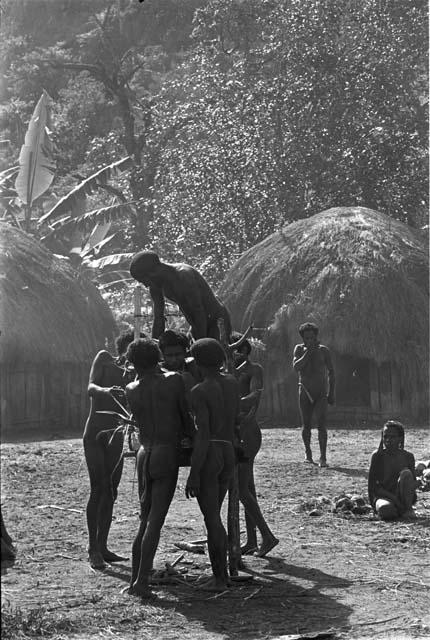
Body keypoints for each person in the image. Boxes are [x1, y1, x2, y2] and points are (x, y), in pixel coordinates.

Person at [125, 338, 195, 598]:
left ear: (133, 362)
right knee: (155, 521)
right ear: (158, 357)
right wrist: (196, 441)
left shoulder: (130, 388)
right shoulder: (173, 381)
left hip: (144, 453)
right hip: (166, 452)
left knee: (144, 519)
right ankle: (142, 583)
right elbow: (184, 417)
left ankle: (135, 578)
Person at [83, 329, 142, 570]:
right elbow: (90, 387)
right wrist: (106, 391)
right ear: (124, 347)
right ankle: (92, 548)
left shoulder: (135, 373)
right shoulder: (104, 358)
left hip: (116, 436)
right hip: (95, 433)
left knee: (112, 490)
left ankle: (103, 545)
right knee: (99, 488)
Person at [185, 338, 240, 592]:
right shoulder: (231, 383)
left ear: (197, 362)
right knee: (214, 517)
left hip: (211, 453)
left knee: (212, 519)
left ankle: (218, 579)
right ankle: (223, 574)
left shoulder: (199, 391)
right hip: (229, 449)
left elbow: (203, 435)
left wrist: (194, 473)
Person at [232, 334, 279, 558]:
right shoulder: (227, 371)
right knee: (247, 488)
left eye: (238, 350)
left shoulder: (253, 370)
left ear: (245, 351)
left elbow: (254, 398)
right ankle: (251, 540)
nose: (234, 354)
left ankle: (266, 536)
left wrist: (229, 402)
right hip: (236, 430)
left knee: (242, 489)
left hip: (247, 432)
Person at [129, 251, 232, 341]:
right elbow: (158, 318)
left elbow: (199, 312)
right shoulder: (155, 285)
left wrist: (201, 343)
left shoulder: (184, 276)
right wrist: (155, 348)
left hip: (217, 321)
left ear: (154, 271)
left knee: (211, 357)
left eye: (144, 280)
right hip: (197, 325)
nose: (146, 285)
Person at [292, 322, 335, 467]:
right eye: (306, 338)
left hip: (320, 393)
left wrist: (332, 392)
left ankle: (323, 457)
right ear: (302, 338)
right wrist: (307, 352)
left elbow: (331, 372)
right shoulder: (299, 350)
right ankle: (308, 454)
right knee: (306, 424)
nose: (309, 340)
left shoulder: (324, 351)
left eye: (311, 338)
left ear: (316, 337)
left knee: (322, 424)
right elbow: (296, 367)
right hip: (304, 391)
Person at [368, 420, 418, 521]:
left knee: (406, 473)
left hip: (403, 497)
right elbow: (373, 487)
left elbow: (412, 484)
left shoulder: (408, 456)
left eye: (392, 437)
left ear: (400, 438)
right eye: (385, 436)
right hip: (384, 497)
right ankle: (398, 510)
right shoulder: (378, 456)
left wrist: (414, 485)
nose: (388, 440)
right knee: (386, 510)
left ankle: (407, 509)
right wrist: (394, 500)